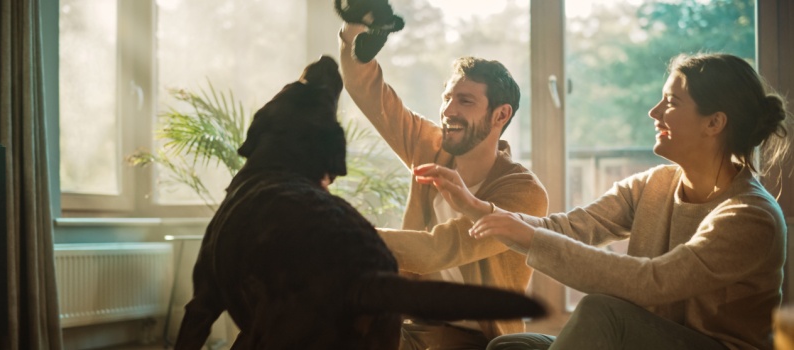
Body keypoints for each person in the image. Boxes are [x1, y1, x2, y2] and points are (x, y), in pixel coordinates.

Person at [414, 52, 792, 350]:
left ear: (714, 123)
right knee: (513, 345)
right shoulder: (654, 185)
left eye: (671, 102)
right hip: (646, 340)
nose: (654, 112)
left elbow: (650, 282)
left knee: (601, 311)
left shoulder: (749, 215)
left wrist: (528, 237)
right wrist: (482, 210)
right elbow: (572, 228)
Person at [339, 22, 549, 349]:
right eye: (447, 97)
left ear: (500, 115)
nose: (448, 110)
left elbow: (440, 249)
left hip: (479, 338)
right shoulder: (431, 148)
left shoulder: (524, 193)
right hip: (414, 325)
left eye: (465, 101)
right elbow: (371, 94)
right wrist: (355, 37)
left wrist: (344, 234)